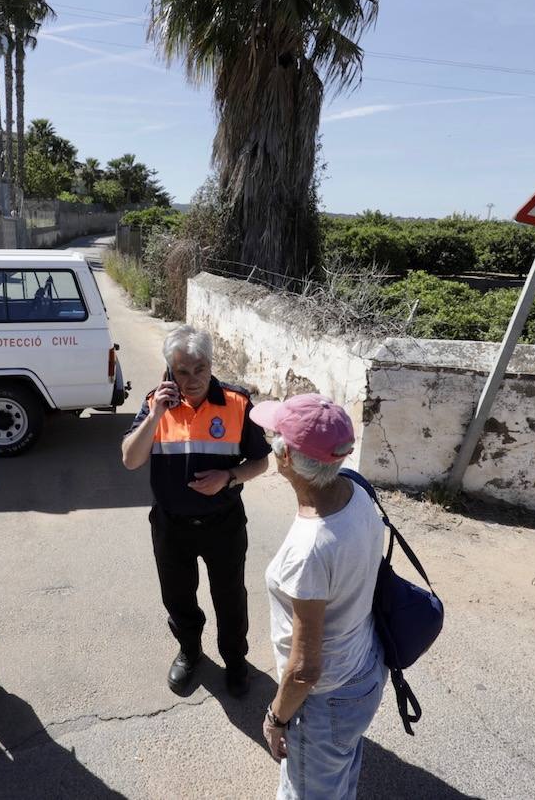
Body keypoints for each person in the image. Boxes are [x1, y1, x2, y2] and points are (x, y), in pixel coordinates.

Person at [122, 325, 271, 696]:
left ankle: (235, 660)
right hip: (171, 525)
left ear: (211, 364)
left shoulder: (237, 404)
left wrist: (229, 477)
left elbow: (261, 462)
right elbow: (130, 459)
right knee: (177, 597)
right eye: (181, 371)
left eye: (199, 369)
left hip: (224, 524)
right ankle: (190, 651)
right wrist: (156, 413)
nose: (191, 380)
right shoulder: (156, 402)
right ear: (169, 370)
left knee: (230, 597)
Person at [252, 394, 387, 800]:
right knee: (339, 773)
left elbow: (306, 669)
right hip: (364, 668)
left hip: (326, 696)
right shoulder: (358, 493)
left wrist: (276, 717)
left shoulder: (309, 549)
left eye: (274, 436)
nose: (270, 440)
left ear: (287, 458)